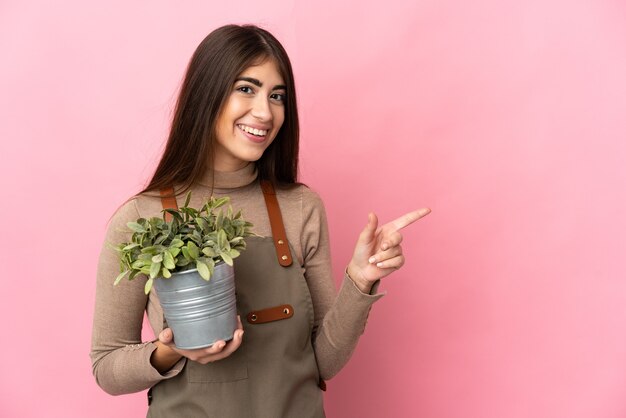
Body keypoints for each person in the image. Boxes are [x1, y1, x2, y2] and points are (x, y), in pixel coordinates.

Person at [90, 24, 430, 417]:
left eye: (277, 96)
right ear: (207, 93)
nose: (265, 112)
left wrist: (360, 280)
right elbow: (106, 367)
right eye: (246, 89)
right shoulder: (141, 218)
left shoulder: (301, 208)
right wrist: (171, 351)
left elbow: (323, 363)